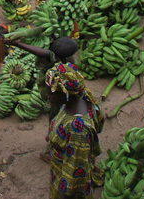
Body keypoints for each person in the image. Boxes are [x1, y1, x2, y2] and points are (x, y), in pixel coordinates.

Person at [46, 64, 104, 199]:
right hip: (58, 168)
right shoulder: (80, 95)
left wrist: (63, 196)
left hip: (65, 182)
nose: (48, 96)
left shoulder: (77, 129)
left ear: (65, 94)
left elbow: (74, 174)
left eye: (51, 93)